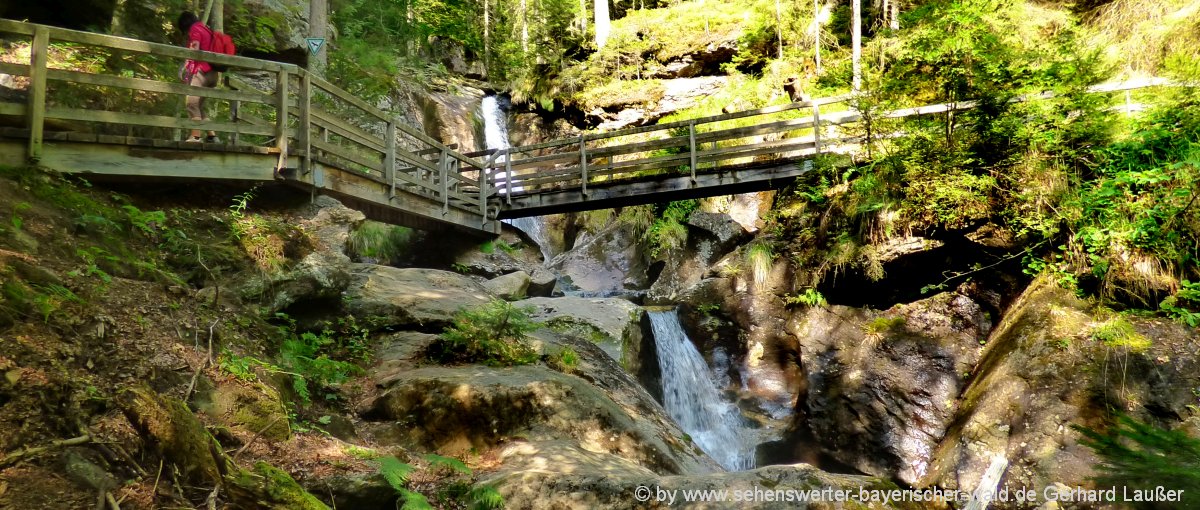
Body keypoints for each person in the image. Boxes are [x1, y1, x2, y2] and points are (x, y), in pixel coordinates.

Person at [176, 12, 220, 143]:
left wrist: (184, 68)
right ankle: (212, 136)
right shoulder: (206, 28)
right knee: (198, 106)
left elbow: (194, 48)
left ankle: (195, 137)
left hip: (202, 72)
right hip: (213, 74)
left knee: (191, 104)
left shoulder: (195, 29)